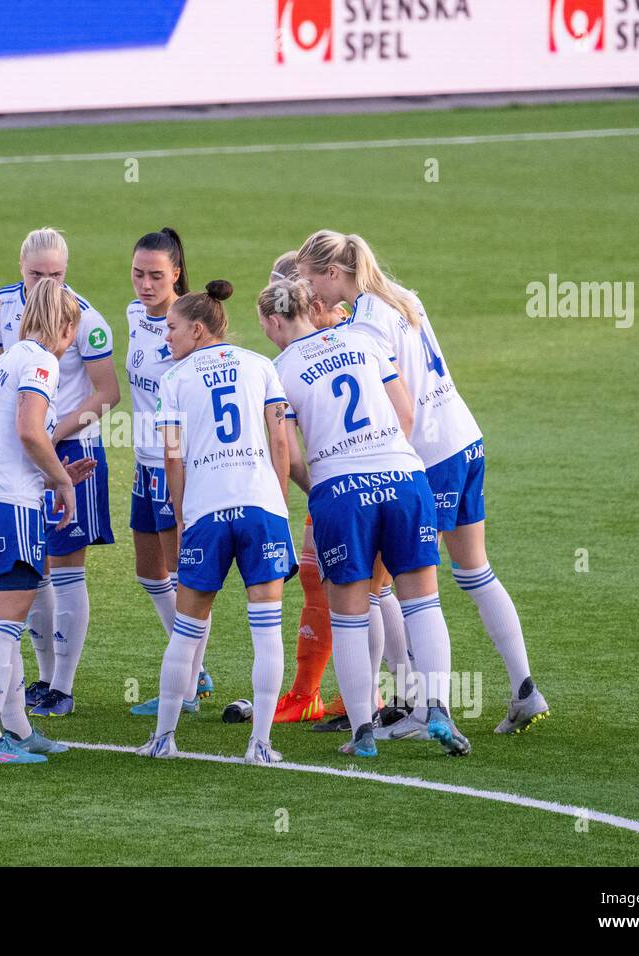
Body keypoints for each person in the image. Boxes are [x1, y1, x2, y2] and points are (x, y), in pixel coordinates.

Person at [298, 230, 548, 736]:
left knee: (380, 588)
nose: (307, 294)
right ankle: (524, 688)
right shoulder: (400, 296)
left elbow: (394, 403)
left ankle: (411, 709)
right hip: (464, 439)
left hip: (425, 458)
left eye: (308, 280)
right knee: (474, 571)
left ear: (330, 273)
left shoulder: (366, 322)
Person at [261, 277, 470, 757]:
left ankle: (362, 732)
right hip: (403, 477)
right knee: (423, 602)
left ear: (274, 321)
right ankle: (436, 708)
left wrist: (323, 487)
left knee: (351, 615)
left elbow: (287, 452)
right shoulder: (364, 338)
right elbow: (406, 414)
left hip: (340, 489)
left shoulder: (279, 369)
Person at [135, 281, 293, 765]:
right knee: (266, 631)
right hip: (261, 507)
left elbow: (172, 457)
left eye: (173, 328)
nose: (167, 338)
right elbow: (280, 441)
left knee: (187, 628)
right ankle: (261, 745)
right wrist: (279, 504)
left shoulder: (176, 380)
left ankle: (164, 738)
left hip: (206, 510)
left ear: (198, 330)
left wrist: (181, 518)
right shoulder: (261, 365)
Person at [0, 278, 96, 765]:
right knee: (1, 626)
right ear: (67, 324)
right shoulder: (41, 360)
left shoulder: (2, 364)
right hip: (5, 504)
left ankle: (15, 728)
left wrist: (53, 472)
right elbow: (28, 430)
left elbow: (22, 440)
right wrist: (61, 482)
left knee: (8, 623)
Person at [0, 228, 120, 716]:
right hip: (24, 452)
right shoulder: (1, 308)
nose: (46, 283)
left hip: (70, 449)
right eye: (37, 274)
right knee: (31, 568)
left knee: (65, 569)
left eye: (56, 274)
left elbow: (106, 393)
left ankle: (62, 685)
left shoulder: (84, 316)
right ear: (21, 267)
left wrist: (52, 432)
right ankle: (41, 677)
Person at [125, 228, 215, 717]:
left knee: (185, 577)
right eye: (138, 273)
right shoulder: (134, 315)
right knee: (150, 572)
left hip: (177, 466)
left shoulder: (193, 329)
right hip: (143, 462)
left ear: (176, 273)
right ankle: (194, 673)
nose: (144, 284)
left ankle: (184, 687)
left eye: (156, 275)